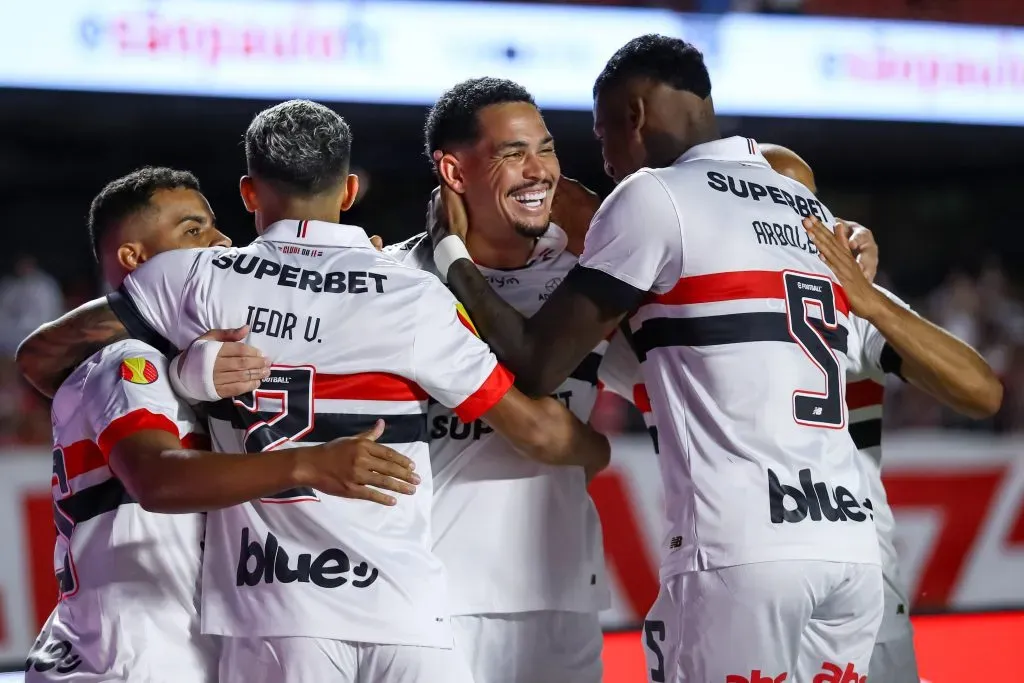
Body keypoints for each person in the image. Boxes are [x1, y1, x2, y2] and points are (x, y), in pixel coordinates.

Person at [422, 34, 993, 682]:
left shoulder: (654, 199)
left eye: (601, 137)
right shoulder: (809, 220)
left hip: (740, 550)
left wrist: (450, 252)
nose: (605, 163)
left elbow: (537, 360)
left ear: (634, 116)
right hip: (852, 552)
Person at [17, 100, 609, 683]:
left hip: (272, 614)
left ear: (249, 194)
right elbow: (536, 430)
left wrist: (183, 369)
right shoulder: (410, 292)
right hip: (401, 610)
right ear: (349, 191)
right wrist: (598, 450)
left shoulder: (191, 279)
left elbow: (43, 355)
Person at [25, 167, 424, 682]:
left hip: (146, 651)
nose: (221, 242)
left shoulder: (184, 364)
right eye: (193, 230)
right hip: (138, 659)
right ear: (135, 259)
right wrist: (309, 464)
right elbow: (157, 478)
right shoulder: (127, 360)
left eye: (214, 226)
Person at [384, 77, 608, 683]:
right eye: (513, 153)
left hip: (563, 596)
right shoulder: (394, 279)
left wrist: (593, 448)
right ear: (454, 173)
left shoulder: (591, 283)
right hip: (429, 598)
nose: (539, 171)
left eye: (546, 148)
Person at [759, 145, 1001, 683]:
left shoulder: (851, 302)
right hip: (761, 589)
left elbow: (983, 392)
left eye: (805, 204)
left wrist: (870, 301)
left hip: (850, 590)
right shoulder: (695, 299)